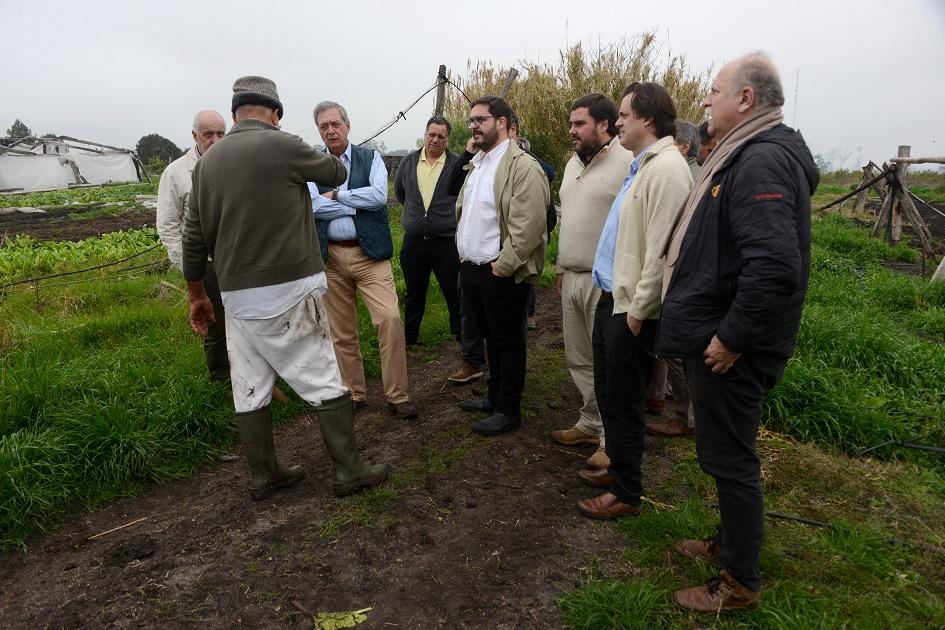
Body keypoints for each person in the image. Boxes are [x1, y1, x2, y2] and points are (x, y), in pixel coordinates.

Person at [659, 53, 818, 612]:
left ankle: (740, 582)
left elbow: (775, 267)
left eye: (714, 90)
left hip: (731, 348)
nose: (705, 100)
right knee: (725, 453)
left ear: (746, 99)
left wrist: (731, 338)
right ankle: (728, 545)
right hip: (723, 334)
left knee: (731, 460)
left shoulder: (760, 162)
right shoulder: (745, 154)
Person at [183, 76, 390, 500]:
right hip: (291, 288)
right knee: (324, 377)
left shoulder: (206, 163)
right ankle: (349, 470)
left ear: (236, 111)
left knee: (250, 384)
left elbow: (192, 236)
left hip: (234, 297)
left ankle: (264, 475)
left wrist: (196, 295)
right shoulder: (283, 144)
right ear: (275, 113)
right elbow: (336, 169)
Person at [576, 82, 691, 520]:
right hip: (613, 297)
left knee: (625, 400)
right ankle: (619, 470)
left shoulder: (667, 171)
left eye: (624, 115)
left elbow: (663, 252)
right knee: (610, 393)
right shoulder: (645, 165)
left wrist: (640, 313)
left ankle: (627, 493)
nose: (618, 122)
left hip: (631, 310)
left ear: (647, 118)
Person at [310, 101, 417, 419]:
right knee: (342, 331)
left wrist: (338, 196)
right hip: (330, 257)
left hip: (369, 254)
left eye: (335, 124)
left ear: (347, 125)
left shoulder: (370, 157)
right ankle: (354, 394)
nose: (330, 130)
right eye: (323, 126)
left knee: (390, 320)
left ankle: (397, 396)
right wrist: (356, 203)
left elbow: (378, 197)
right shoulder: (313, 165)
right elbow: (313, 206)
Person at [454, 96, 549, 435]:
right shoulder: (478, 163)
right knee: (490, 339)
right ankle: (494, 398)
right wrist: (464, 253)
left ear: (504, 123)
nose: (474, 126)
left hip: (501, 273)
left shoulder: (523, 166)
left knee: (508, 341)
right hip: (473, 269)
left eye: (481, 119)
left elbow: (529, 225)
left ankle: (509, 409)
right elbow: (469, 212)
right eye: (472, 121)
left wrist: (503, 266)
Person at [549, 93, 632, 471]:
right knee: (579, 357)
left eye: (579, 123)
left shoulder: (627, 162)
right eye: (570, 123)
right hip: (573, 275)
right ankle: (589, 422)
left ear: (605, 125)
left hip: (607, 282)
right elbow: (569, 218)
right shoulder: (571, 164)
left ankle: (610, 440)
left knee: (609, 364)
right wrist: (561, 266)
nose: (572, 131)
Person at [156, 111, 229, 380]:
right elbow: (168, 226)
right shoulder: (175, 173)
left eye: (221, 133)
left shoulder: (232, 166)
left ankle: (253, 372)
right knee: (214, 320)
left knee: (245, 318)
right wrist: (191, 267)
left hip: (235, 257)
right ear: (195, 136)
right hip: (204, 261)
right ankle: (222, 376)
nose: (215, 140)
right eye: (208, 134)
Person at [393, 116, 462, 348]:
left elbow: (463, 198)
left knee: (454, 292)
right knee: (414, 293)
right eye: (431, 134)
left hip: (446, 242)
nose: (435, 140)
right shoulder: (409, 162)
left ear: (447, 139)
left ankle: (462, 337)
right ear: (425, 134)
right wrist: (417, 216)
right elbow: (401, 193)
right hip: (414, 242)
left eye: (441, 136)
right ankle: (410, 340)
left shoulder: (456, 164)